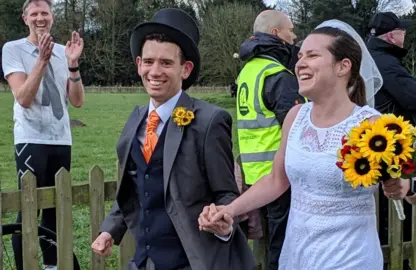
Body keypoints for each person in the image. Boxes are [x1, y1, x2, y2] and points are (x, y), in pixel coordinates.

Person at [200, 19, 416, 270]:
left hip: (350, 257)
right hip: (298, 254)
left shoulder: (373, 126)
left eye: (312, 55)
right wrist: (230, 211)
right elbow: (277, 180)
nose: (300, 63)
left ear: (343, 66)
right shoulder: (295, 117)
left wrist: (406, 186)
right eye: (299, 56)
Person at [90, 8, 255, 270]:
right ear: (138, 64)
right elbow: (135, 188)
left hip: (192, 261)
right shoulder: (135, 119)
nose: (154, 71)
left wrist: (221, 223)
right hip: (144, 262)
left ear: (185, 69)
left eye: (166, 63)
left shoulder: (210, 121)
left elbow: (226, 194)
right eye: (148, 61)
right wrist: (109, 231)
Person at [1, 0, 85, 269]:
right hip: (30, 139)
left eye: (45, 13)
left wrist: (72, 65)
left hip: (61, 139)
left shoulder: (63, 51)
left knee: (54, 208)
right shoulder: (13, 49)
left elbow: (78, 101)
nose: (40, 18)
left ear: (52, 18)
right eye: (34, 13)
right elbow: (23, 98)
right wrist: (41, 60)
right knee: (29, 208)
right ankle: (25, 264)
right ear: (25, 18)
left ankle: (51, 266)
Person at [367, 12, 416, 270]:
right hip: (394, 149)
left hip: (388, 145)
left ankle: (401, 255)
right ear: (392, 35)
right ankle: (402, 258)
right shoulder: (386, 62)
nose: (405, 34)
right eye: (403, 30)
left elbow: (406, 91)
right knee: (401, 211)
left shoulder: (377, 58)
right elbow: (414, 99)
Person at [235, 9, 306, 270]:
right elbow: (298, 126)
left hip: (255, 174)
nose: (295, 37)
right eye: (291, 31)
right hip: (279, 174)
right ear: (276, 34)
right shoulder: (277, 75)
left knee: (268, 246)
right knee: (284, 245)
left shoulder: (248, 71)